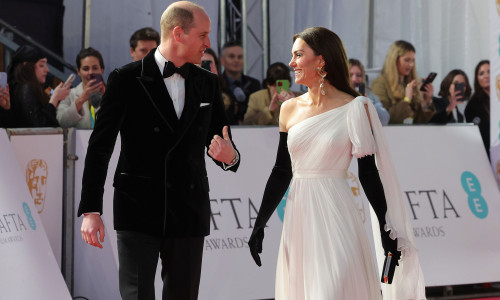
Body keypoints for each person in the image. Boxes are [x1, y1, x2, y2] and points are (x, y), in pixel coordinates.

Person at [248, 27, 426, 299]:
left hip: (337, 213)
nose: (291, 63)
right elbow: (281, 171)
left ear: (320, 60)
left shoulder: (356, 107)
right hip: (299, 217)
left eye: (298, 55)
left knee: (333, 290)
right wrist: (260, 222)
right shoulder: (288, 109)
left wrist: (385, 226)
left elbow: (368, 174)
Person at [78, 2, 240, 300]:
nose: (208, 43)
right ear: (178, 33)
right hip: (137, 208)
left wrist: (230, 158)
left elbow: (223, 140)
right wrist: (91, 208)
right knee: (137, 295)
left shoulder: (207, 82)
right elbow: (100, 147)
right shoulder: (126, 79)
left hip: (188, 209)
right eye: (203, 35)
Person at [371, 40, 435, 124]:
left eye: (412, 60)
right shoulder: (380, 84)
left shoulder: (412, 84)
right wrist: (407, 100)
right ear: (394, 60)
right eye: (407, 60)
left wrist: (426, 101)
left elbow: (421, 122)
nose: (411, 64)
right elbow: (384, 119)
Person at [7, 45, 70, 128]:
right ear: (26, 66)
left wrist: (54, 100)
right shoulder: (25, 88)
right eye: (41, 65)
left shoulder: (43, 88)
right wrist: (54, 100)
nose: (47, 69)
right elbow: (38, 126)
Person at [56, 47, 106, 128]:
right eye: (86, 69)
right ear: (78, 71)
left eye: (95, 68)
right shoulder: (69, 95)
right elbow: (61, 122)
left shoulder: (113, 94)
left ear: (102, 70)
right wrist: (81, 99)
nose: (90, 72)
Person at [220, 40, 261, 124]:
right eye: (231, 56)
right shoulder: (216, 84)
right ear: (222, 60)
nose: (236, 60)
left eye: (240, 57)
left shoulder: (254, 84)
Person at [348, 58, 390, 125]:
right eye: (350, 75)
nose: (354, 79)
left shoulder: (371, 97)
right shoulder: (338, 96)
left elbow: (385, 119)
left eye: (359, 75)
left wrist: (369, 105)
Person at [465, 60, 490, 158]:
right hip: (485, 156)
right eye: (481, 73)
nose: (486, 76)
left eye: (489, 72)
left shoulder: (497, 100)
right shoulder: (473, 105)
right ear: (477, 79)